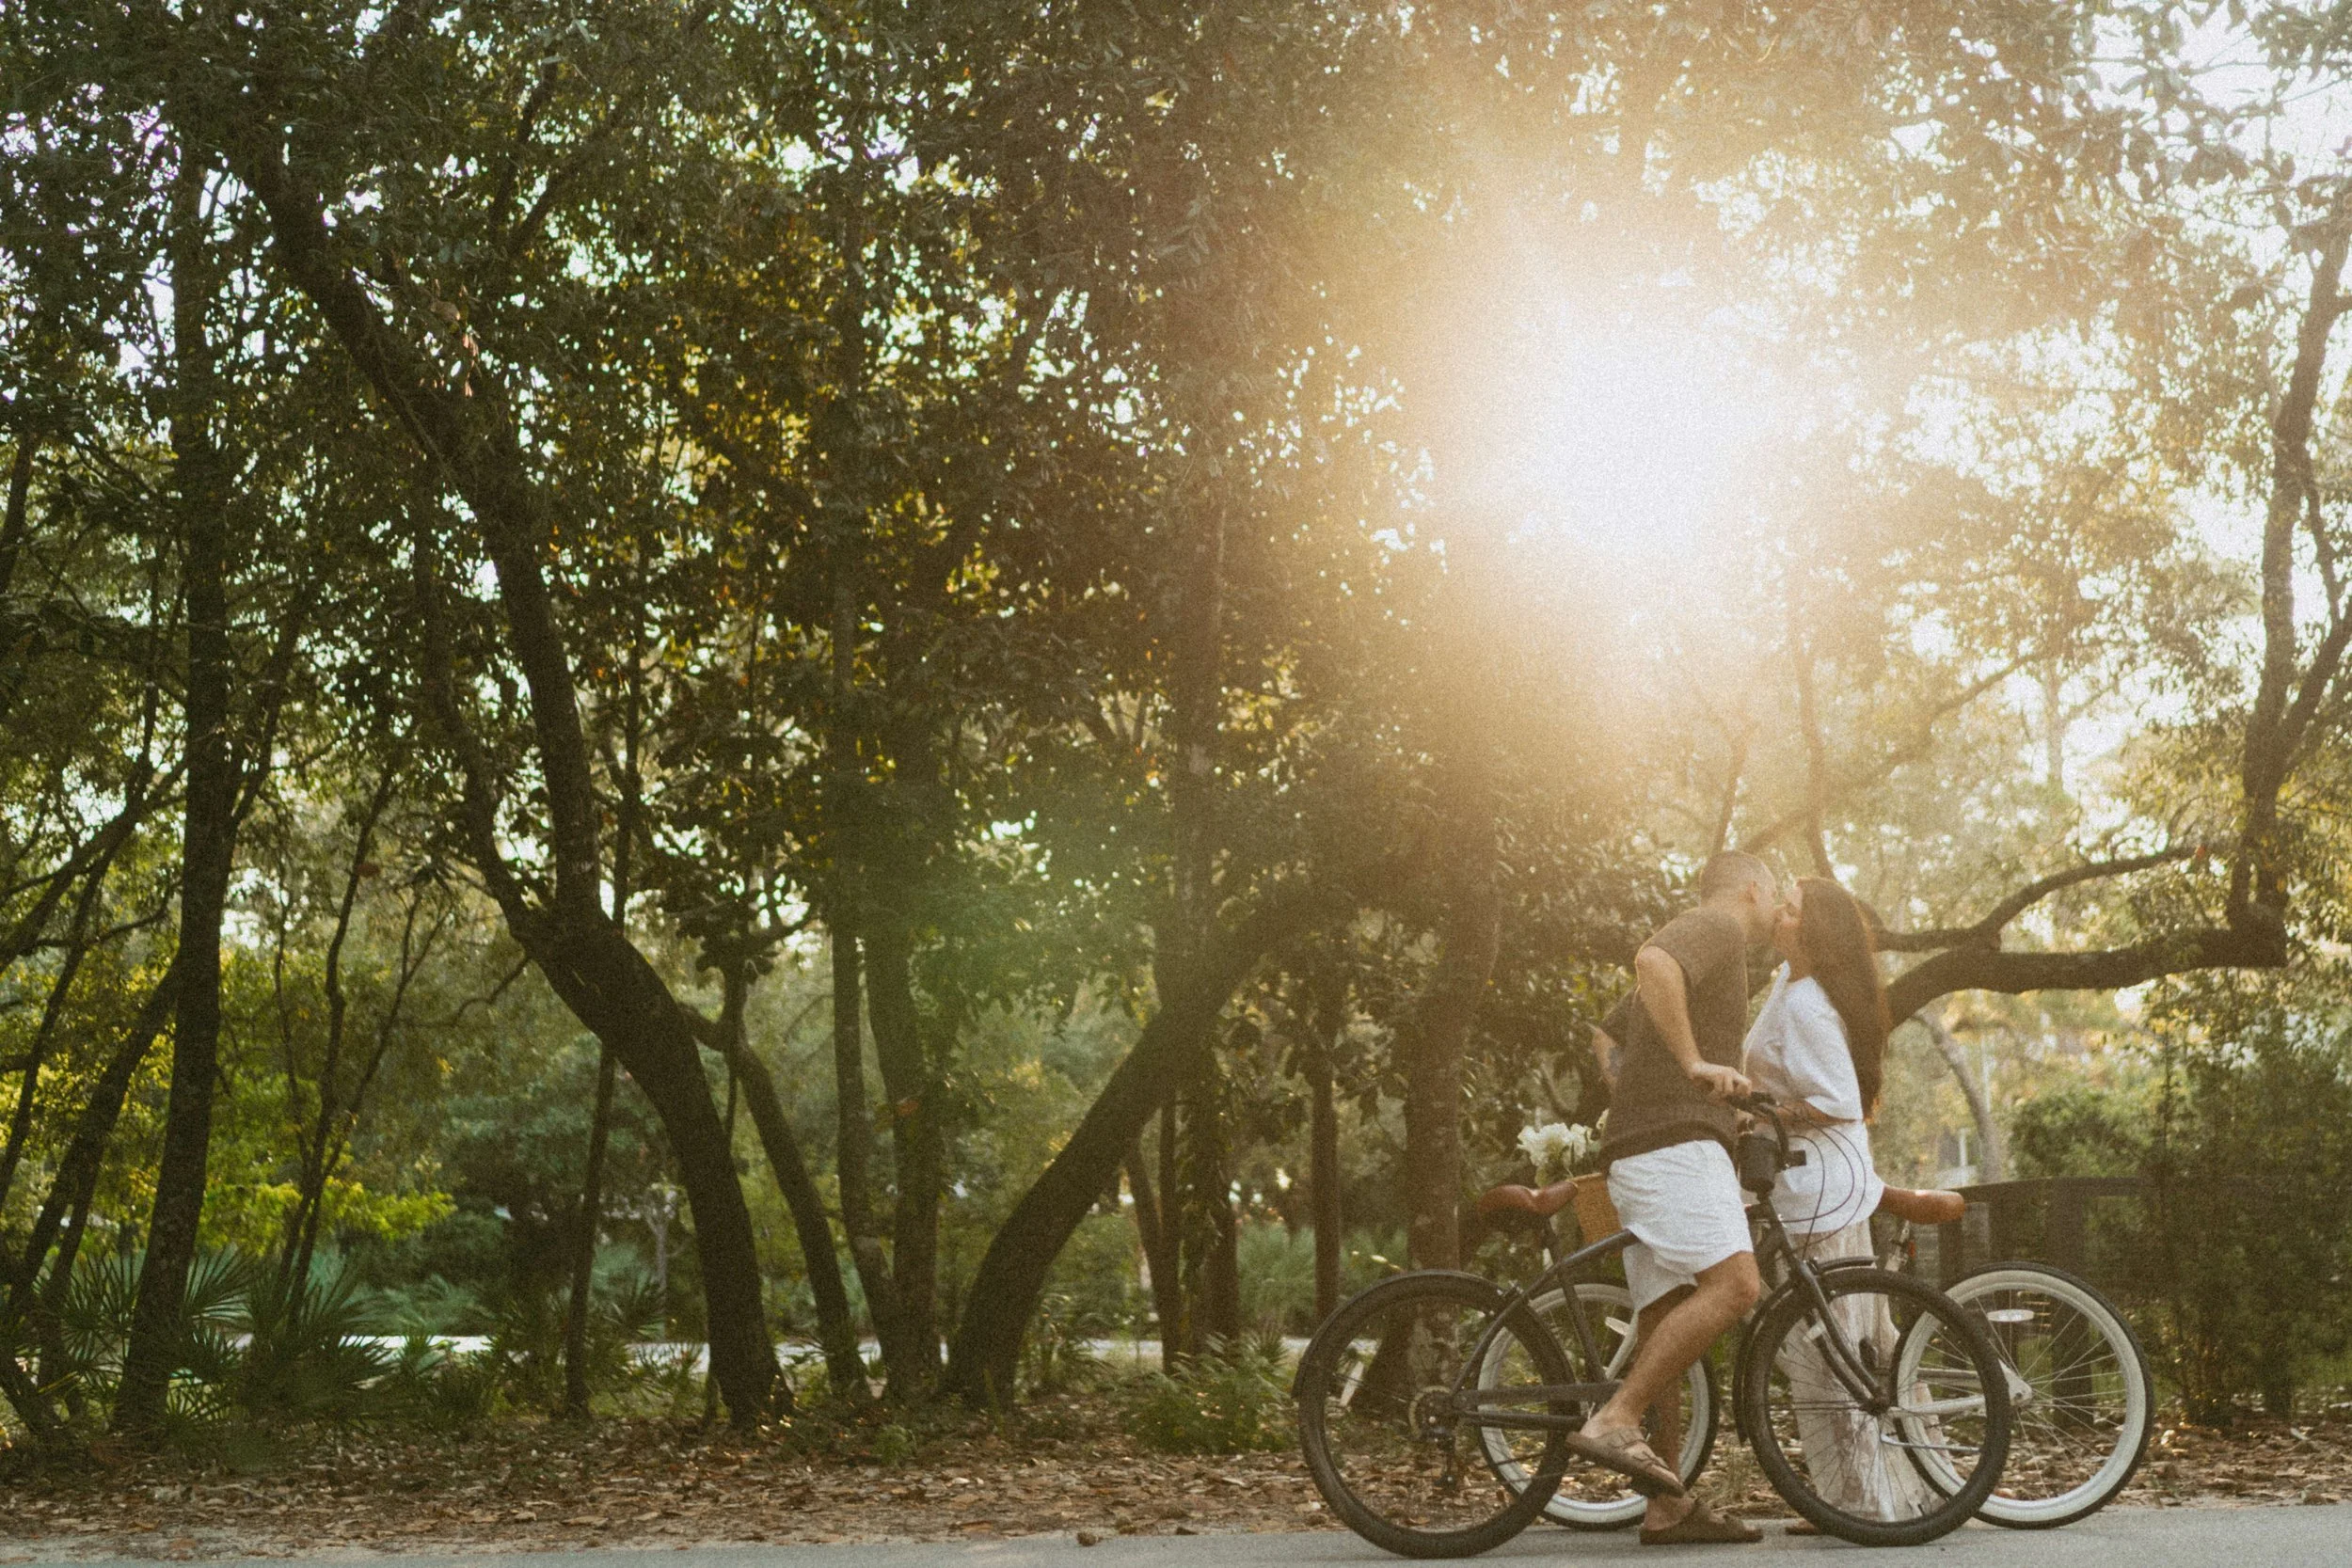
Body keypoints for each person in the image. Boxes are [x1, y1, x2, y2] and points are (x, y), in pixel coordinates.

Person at [1573, 849, 1777, 1546]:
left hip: (1646, 1145)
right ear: (1752, 888)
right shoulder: (1718, 927)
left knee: (1666, 1318)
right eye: (1776, 891)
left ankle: (1666, 1504)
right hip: (1673, 1149)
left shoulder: (1721, 954)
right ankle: (1616, 1417)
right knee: (1737, 1286)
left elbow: (1607, 1034)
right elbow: (1653, 961)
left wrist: (1652, 1091)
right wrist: (1690, 1068)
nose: (1779, 905)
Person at [1740, 875, 1937, 1528]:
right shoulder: (1787, 982)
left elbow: (1838, 1102)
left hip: (1820, 1190)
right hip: (1805, 1185)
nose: (1777, 914)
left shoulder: (1807, 1002)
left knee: (1833, 1351)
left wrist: (1766, 1112)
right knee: (1835, 1344)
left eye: (1790, 909)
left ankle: (1864, 1500)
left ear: (1813, 931)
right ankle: (1880, 1488)